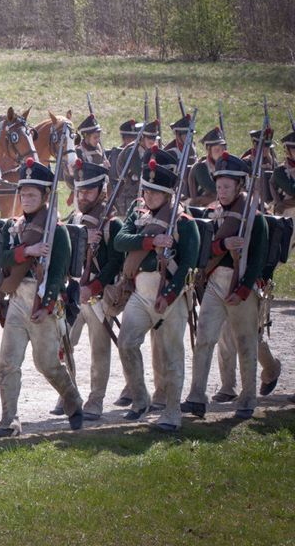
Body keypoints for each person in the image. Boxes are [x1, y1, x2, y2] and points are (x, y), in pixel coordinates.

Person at [0, 157, 83, 437]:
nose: (26, 198)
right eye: (23, 193)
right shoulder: (13, 228)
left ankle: (73, 401)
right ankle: (9, 420)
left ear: (45, 196)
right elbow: (0, 260)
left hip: (43, 301)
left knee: (47, 364)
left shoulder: (58, 232)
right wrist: (25, 252)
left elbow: (57, 274)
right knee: (8, 362)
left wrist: (47, 304)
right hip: (18, 299)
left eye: (32, 194)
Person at [111, 156, 199, 431]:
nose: (148, 196)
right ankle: (140, 400)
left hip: (171, 295)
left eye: (155, 192)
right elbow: (119, 241)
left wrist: (170, 295)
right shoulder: (138, 217)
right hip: (140, 291)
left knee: (172, 355)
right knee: (126, 343)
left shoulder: (184, 222)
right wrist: (150, 240)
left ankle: (172, 411)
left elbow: (188, 264)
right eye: (146, 191)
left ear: (168, 195)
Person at [183, 152, 268, 420]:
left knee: (245, 342)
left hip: (241, 286)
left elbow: (259, 258)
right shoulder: (213, 213)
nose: (221, 191)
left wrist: (242, 290)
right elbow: (202, 250)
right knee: (205, 339)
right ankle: (197, 396)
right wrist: (222, 245)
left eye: (227, 187)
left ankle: (248, 396)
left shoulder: (254, 217)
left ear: (239, 187)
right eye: (219, 186)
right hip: (215, 284)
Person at [66, 159, 125, 420]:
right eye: (80, 191)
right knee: (64, 342)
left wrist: (95, 286)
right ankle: (68, 393)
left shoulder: (113, 225)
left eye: (88, 191)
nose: (82, 196)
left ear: (102, 191)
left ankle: (96, 399)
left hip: (99, 296)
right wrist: (81, 241)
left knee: (99, 349)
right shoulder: (74, 221)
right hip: (75, 294)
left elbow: (116, 263)